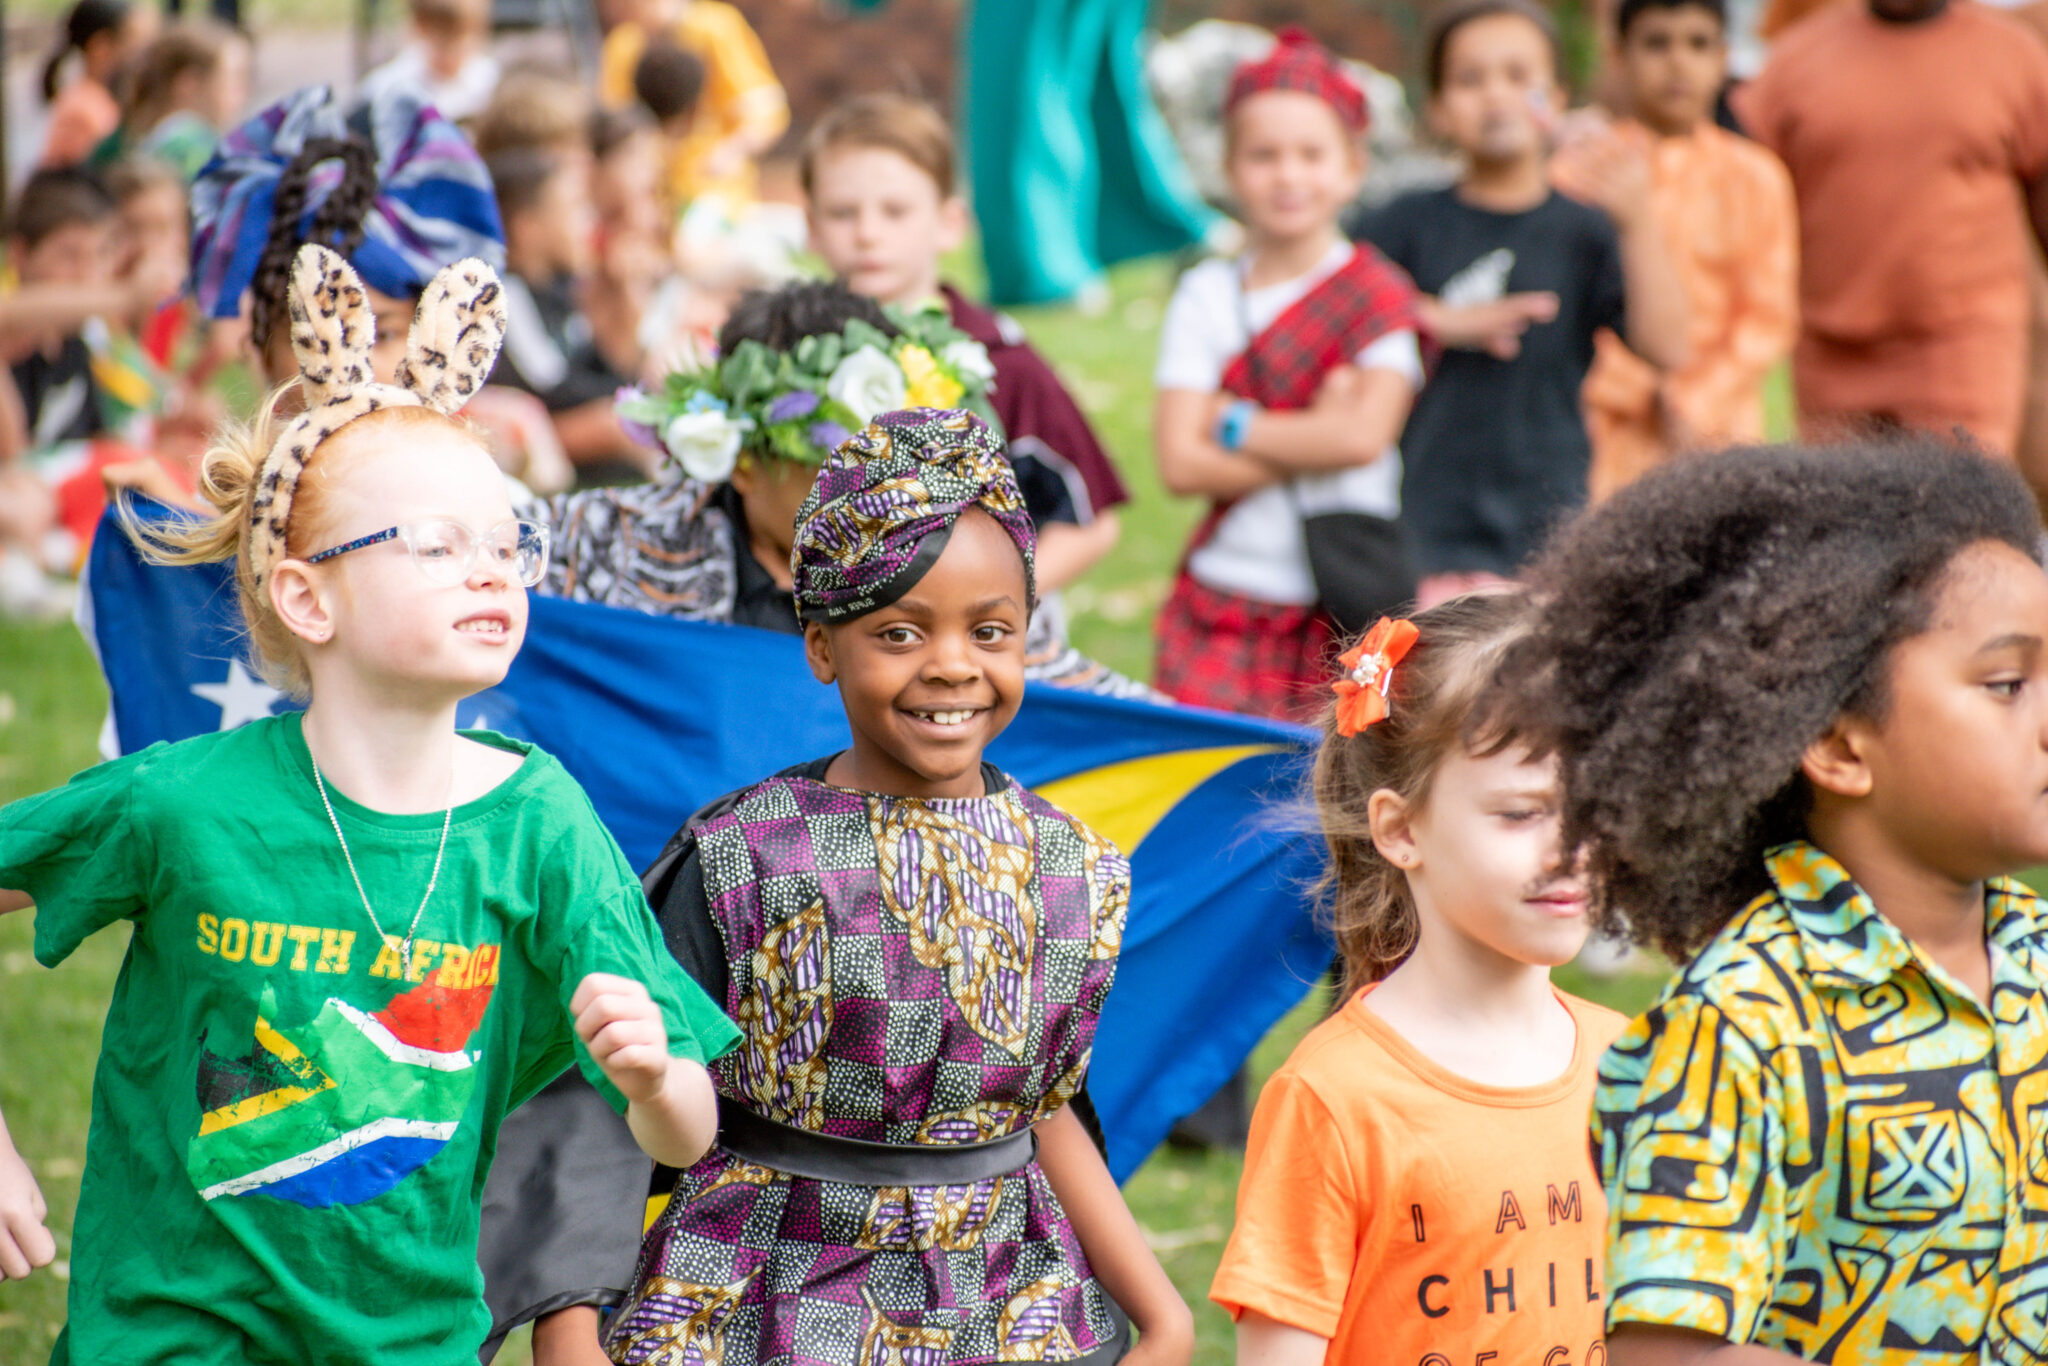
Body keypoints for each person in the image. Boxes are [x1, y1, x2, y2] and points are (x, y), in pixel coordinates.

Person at [0, 244, 739, 1363]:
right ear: (308, 598)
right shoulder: (183, 800)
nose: (490, 569)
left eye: (509, 541)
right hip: (165, 1338)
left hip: (414, 1343)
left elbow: (687, 1129)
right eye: (438, 545)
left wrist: (652, 1079)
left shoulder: (539, 821)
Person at [602, 406, 1195, 1366]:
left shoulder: (1072, 868)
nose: (952, 665)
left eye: (990, 630)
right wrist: (569, 1329)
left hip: (1003, 1304)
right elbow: (616, 1103)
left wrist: (1164, 1316)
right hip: (762, 1298)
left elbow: (1039, 1112)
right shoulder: (744, 857)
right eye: (901, 632)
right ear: (821, 646)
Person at [1495, 439, 2048, 1363]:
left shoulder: (2037, 959)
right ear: (1839, 747)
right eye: (2007, 686)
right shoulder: (1737, 1026)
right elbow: (1666, 1355)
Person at [1209, 594, 1627, 1364]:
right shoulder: (1333, 1098)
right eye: (1521, 813)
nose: (1571, 849)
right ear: (1401, 829)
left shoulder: (1638, 1066)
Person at [1351, 0, 1688, 605]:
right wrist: (1431, 319)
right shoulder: (1401, 224)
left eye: (1518, 75)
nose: (1496, 95)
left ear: (1555, 98)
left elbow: (1668, 347)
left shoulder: (1587, 231)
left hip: (1547, 527)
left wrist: (1639, 220)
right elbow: (1332, 309)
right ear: (1437, 107)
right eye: (1469, 79)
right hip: (1421, 525)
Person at [1151, 29, 1423, 723]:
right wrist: (1316, 433)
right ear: (1229, 168)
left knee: (1335, 787)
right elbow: (1180, 463)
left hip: (1344, 603)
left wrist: (1235, 424)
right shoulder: (1206, 294)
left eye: (1311, 154)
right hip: (1226, 594)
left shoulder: (1379, 296)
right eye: (1264, 155)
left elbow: (1362, 438)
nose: (1288, 175)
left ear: (1352, 167)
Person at [801, 92, 1132, 609]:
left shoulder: (1001, 361)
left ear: (949, 223)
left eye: (895, 211)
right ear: (811, 228)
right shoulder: (790, 361)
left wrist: (990, 607)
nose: (867, 233)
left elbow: (1090, 522)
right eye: (843, 212)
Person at [1735, 0, 2048, 457]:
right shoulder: (1798, 59)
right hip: (1832, 353)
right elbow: (1741, 188)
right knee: (1837, 499)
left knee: (1958, 498)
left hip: (1961, 349)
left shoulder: (2010, 55)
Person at [1576, 0, 1796, 499]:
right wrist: (1644, 389)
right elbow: (1575, 310)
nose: (1678, 63)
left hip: (1720, 432)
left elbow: (1768, 318)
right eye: (1657, 44)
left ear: (1723, 58)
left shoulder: (1756, 177)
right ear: (1619, 56)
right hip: (1608, 430)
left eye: (1697, 44)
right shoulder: (1586, 171)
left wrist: (1694, 400)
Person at [486, 146, 656, 479]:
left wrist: (628, 296)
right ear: (527, 227)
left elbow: (606, 368)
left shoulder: (559, 289)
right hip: (533, 452)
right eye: (575, 209)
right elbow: (555, 386)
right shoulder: (507, 297)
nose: (589, 224)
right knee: (619, 422)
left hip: (569, 436)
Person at [596, 0, 787, 214]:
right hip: (650, 194)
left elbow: (765, 109)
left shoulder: (714, 28)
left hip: (713, 193)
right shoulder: (624, 43)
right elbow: (613, 121)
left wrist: (730, 152)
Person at [90, 19, 252, 180]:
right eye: (234, 79)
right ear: (188, 83)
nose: (243, 93)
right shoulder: (196, 149)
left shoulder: (120, 137)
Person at [38, 0, 155, 170]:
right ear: (101, 47)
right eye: (136, 42)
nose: (144, 56)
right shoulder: (84, 111)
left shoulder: (103, 100)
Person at [356, 0, 500, 126]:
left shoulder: (490, 82)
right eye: (443, 40)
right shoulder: (387, 86)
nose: (453, 50)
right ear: (421, 27)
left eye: (462, 37)